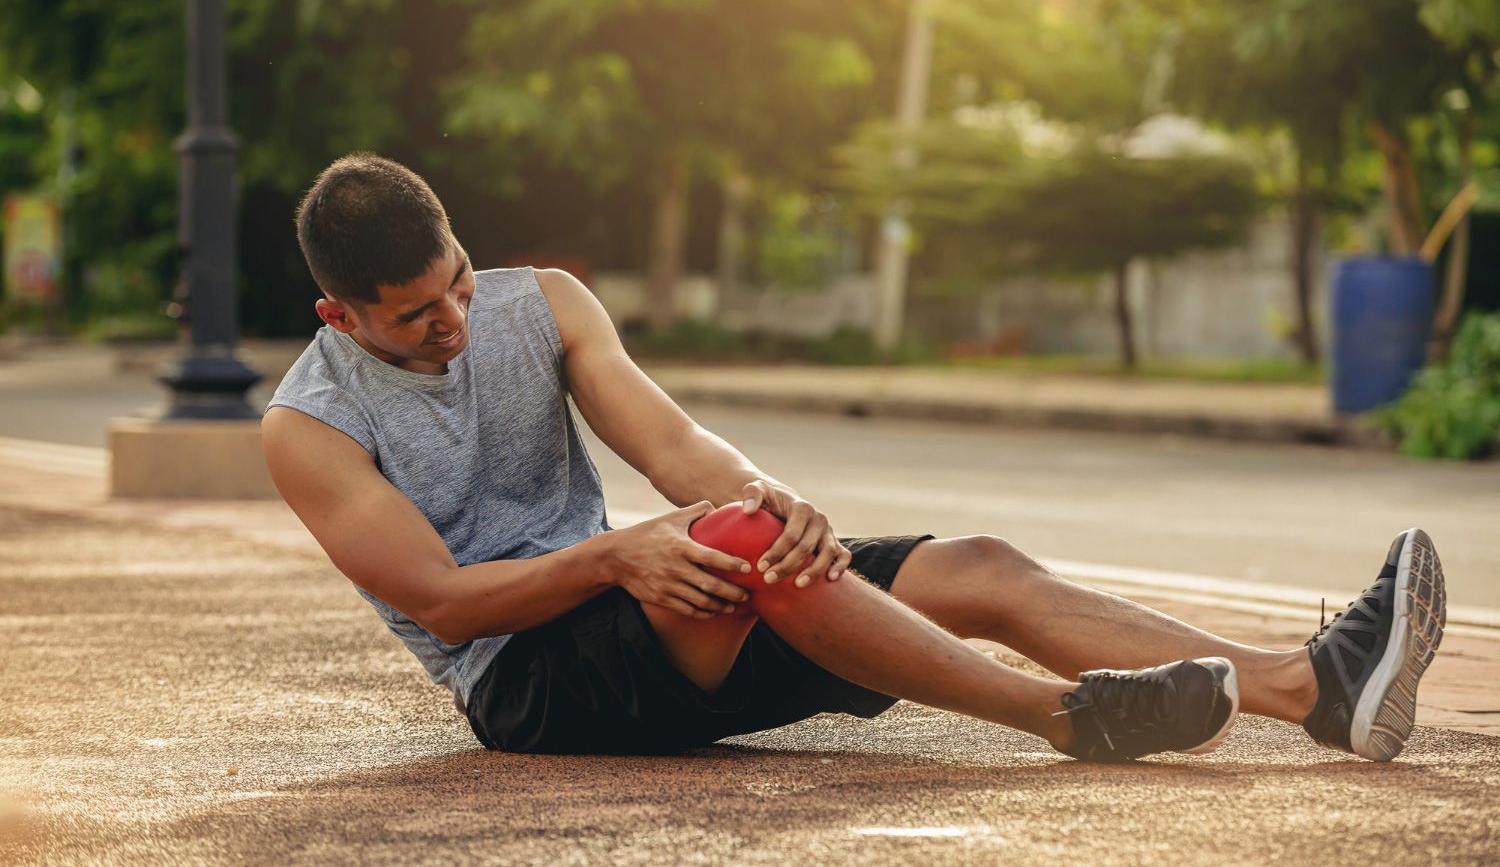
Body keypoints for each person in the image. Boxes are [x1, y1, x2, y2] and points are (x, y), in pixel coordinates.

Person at [262, 153, 1447, 763]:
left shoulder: (547, 303)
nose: (457, 320)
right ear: (342, 316)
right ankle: (1070, 717)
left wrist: (780, 505)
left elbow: (675, 446)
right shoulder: (308, 425)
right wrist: (622, 557)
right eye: (418, 314)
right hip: (532, 683)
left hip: (676, 605)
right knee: (728, 545)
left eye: (460, 280)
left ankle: (1314, 690)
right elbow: (444, 605)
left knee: (970, 562)